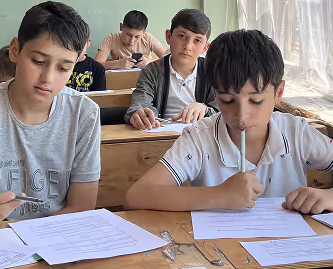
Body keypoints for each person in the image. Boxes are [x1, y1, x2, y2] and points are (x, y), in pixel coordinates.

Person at [125, 29, 333, 214]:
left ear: (278, 92)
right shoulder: (199, 138)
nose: (241, 116)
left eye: (256, 100)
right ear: (215, 94)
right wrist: (220, 195)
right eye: (227, 100)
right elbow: (136, 196)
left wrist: (329, 197)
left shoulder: (297, 134)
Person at [0, 1, 101, 228]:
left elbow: (81, 207)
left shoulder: (84, 113)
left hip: (55, 240)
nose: (48, 79)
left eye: (63, 68)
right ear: (15, 50)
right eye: (38, 61)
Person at [125, 9, 218, 130]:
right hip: (161, 138)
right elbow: (140, 104)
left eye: (197, 40)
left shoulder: (214, 72)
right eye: (182, 36)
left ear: (205, 47)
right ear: (168, 37)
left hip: (203, 139)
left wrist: (205, 109)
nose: (188, 46)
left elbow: (224, 112)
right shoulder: (151, 71)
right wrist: (139, 113)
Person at [94, 10, 166, 70]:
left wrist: (149, 62)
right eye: (128, 34)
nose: (131, 41)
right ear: (121, 27)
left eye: (137, 37)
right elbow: (95, 66)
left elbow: (169, 58)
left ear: (144, 32)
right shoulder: (111, 39)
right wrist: (117, 64)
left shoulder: (148, 38)